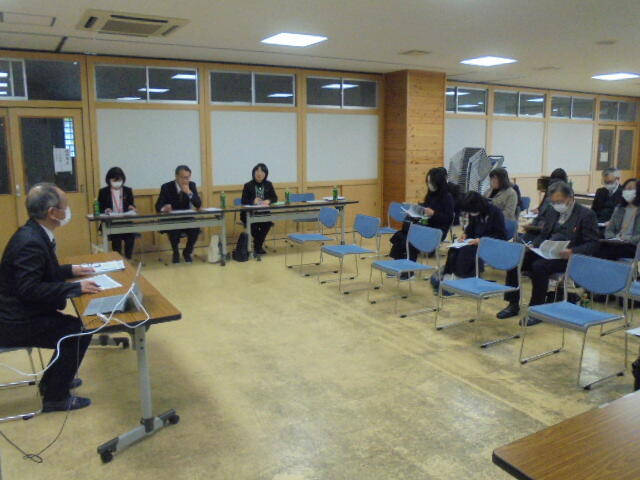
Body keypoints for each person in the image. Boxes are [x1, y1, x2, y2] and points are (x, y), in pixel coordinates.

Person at [0, 184, 100, 412]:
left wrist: (70, 270)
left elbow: (41, 272)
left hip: (18, 312)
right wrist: (74, 288)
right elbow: (29, 288)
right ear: (53, 213)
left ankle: (52, 383)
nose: (68, 211)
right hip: (13, 321)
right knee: (78, 331)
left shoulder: (34, 232)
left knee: (74, 328)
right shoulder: (31, 242)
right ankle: (56, 397)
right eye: (65, 206)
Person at [497, 181, 599, 324]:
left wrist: (572, 251)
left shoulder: (586, 215)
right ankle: (513, 303)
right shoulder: (552, 211)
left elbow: (593, 243)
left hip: (569, 258)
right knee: (515, 259)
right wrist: (533, 245)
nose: (556, 205)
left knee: (539, 266)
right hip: (548, 252)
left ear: (570, 198)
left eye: (559, 201)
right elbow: (544, 235)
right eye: (553, 202)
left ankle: (536, 310)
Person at [431, 191, 507, 291]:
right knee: (454, 248)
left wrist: (481, 240)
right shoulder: (474, 212)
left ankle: (463, 278)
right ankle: (449, 274)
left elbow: (501, 236)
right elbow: (471, 228)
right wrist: (465, 235)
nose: (471, 213)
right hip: (474, 241)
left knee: (467, 251)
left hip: (490, 243)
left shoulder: (495, 213)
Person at [390, 167, 455, 263]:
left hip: (436, 230)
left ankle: (408, 265)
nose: (428, 185)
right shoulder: (431, 194)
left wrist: (434, 213)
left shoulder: (447, 197)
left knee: (411, 237)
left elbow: (448, 219)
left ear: (438, 183)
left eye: (430, 182)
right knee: (402, 234)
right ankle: (399, 262)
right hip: (426, 225)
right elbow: (425, 207)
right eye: (427, 182)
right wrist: (414, 208)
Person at [155, 165, 202, 264]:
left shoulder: (191, 185)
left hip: (187, 217)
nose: (185, 180)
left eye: (188, 177)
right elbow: (158, 206)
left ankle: (187, 252)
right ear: (176, 176)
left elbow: (198, 204)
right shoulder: (166, 187)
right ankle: (175, 253)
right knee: (174, 228)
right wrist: (164, 208)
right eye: (183, 177)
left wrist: (189, 193)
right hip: (171, 218)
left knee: (196, 228)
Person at [98, 167, 137, 259]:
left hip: (126, 221)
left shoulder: (127, 190)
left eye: (119, 180)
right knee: (116, 239)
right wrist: (106, 210)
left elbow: (131, 205)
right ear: (109, 180)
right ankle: (118, 259)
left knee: (130, 238)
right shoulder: (103, 192)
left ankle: (128, 259)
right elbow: (100, 208)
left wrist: (132, 207)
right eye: (114, 180)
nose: (117, 182)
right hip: (111, 222)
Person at [597, 178, 640, 261]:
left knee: (609, 253)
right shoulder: (619, 208)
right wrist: (612, 238)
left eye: (630, 189)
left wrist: (628, 240)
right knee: (596, 248)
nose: (626, 191)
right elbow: (609, 229)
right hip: (616, 242)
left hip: (633, 245)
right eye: (625, 189)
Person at [241, 163, 278, 255]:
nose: (259, 173)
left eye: (262, 171)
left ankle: (257, 245)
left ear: (265, 174)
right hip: (249, 214)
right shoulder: (248, 185)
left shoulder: (268, 184)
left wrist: (268, 201)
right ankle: (258, 246)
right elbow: (244, 201)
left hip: (263, 213)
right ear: (253, 173)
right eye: (257, 171)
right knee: (253, 225)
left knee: (267, 223)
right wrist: (253, 201)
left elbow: (275, 198)